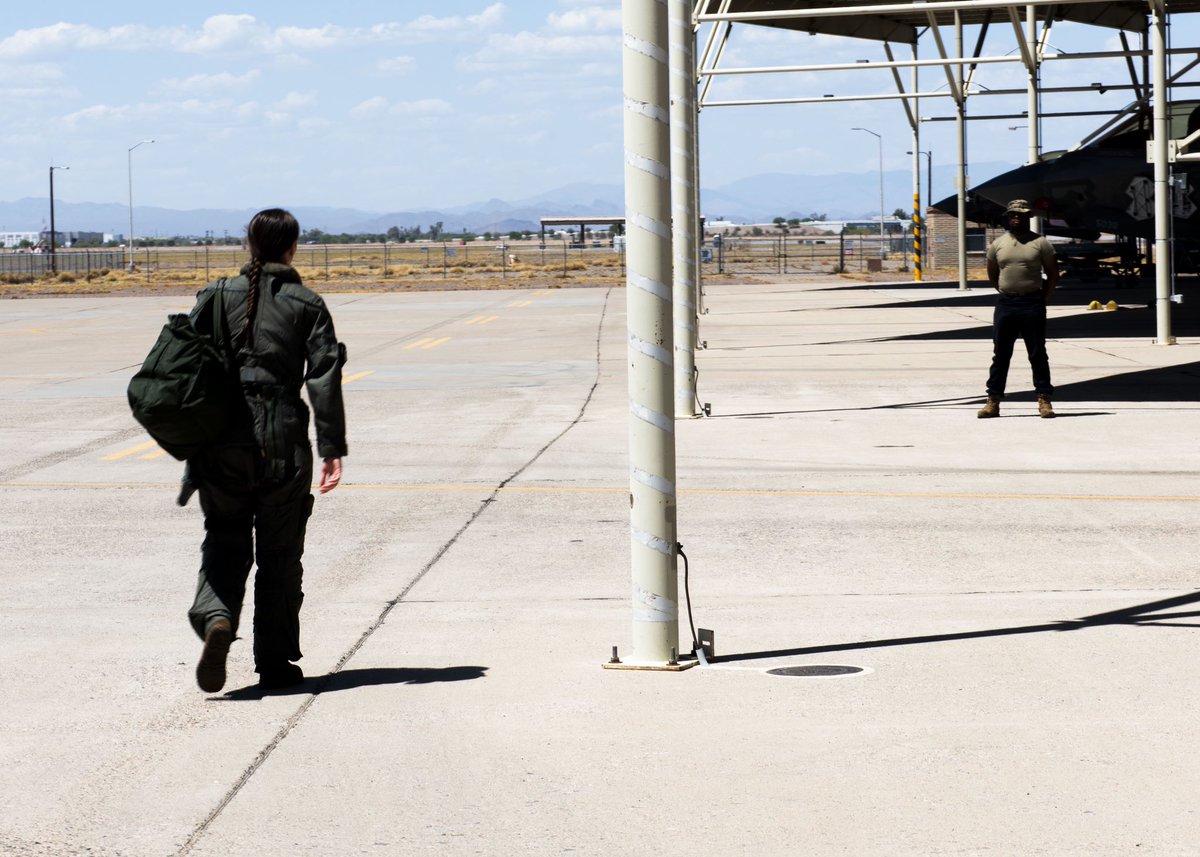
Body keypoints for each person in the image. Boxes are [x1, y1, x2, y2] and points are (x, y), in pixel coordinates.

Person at [188, 208, 347, 692]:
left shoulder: (214, 296)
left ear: (248, 244)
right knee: (279, 556)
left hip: (222, 442)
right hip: (283, 441)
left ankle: (217, 617)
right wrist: (332, 447)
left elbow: (184, 365)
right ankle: (275, 664)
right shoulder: (307, 303)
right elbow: (323, 376)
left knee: (224, 538)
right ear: (292, 247)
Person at [977, 199, 1060, 419]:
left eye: (1021, 215)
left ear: (1028, 217)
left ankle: (1044, 400)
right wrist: (1007, 291)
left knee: (1037, 354)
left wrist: (1042, 298)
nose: (1017, 217)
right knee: (1001, 354)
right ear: (1008, 216)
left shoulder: (1040, 243)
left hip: (1032, 303)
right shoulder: (998, 244)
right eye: (1013, 214)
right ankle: (993, 401)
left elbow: (1053, 274)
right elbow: (993, 273)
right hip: (1006, 304)